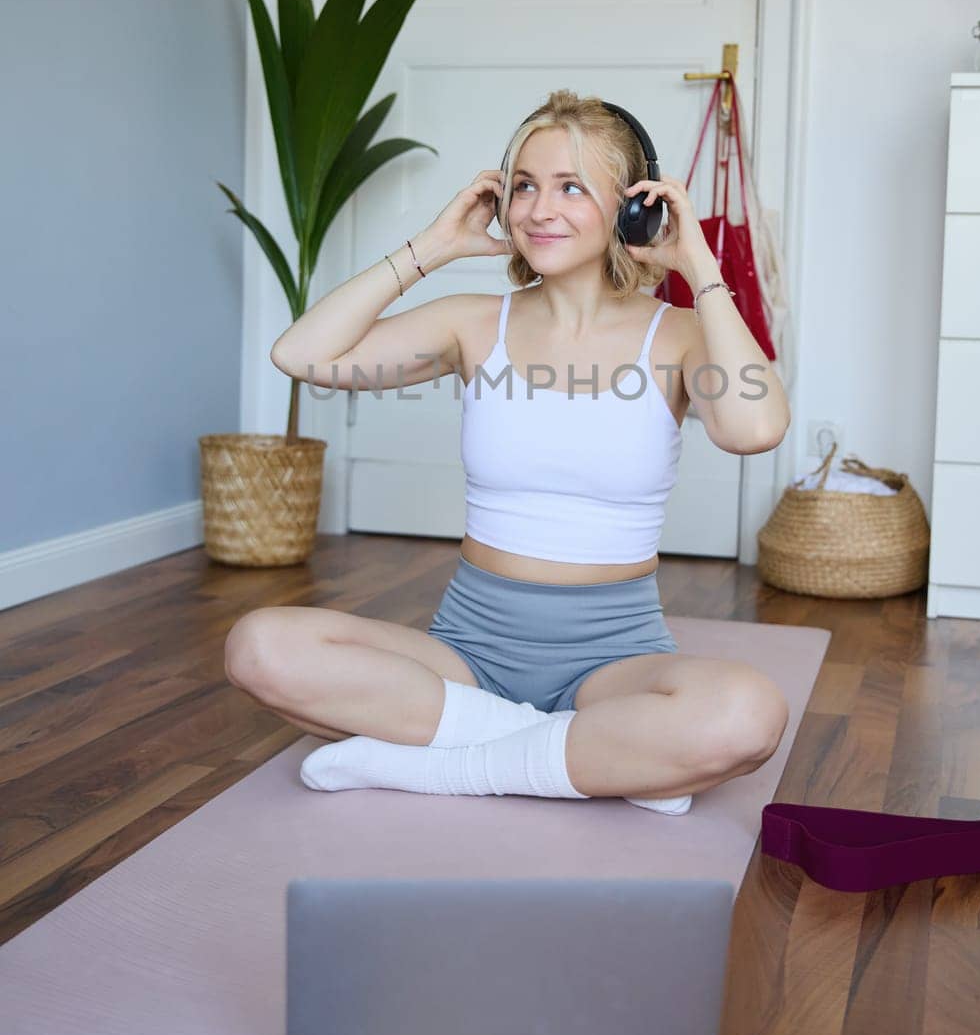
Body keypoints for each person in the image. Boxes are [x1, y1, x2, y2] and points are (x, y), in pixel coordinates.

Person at [225, 90, 791, 815]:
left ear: (634, 208)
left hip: (612, 658)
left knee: (745, 714)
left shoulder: (678, 335)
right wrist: (432, 247)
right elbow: (299, 354)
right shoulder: (471, 324)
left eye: (571, 187)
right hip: (465, 653)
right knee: (259, 647)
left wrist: (698, 263)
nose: (537, 209)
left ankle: (449, 764)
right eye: (523, 185)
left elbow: (753, 430)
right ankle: (576, 753)